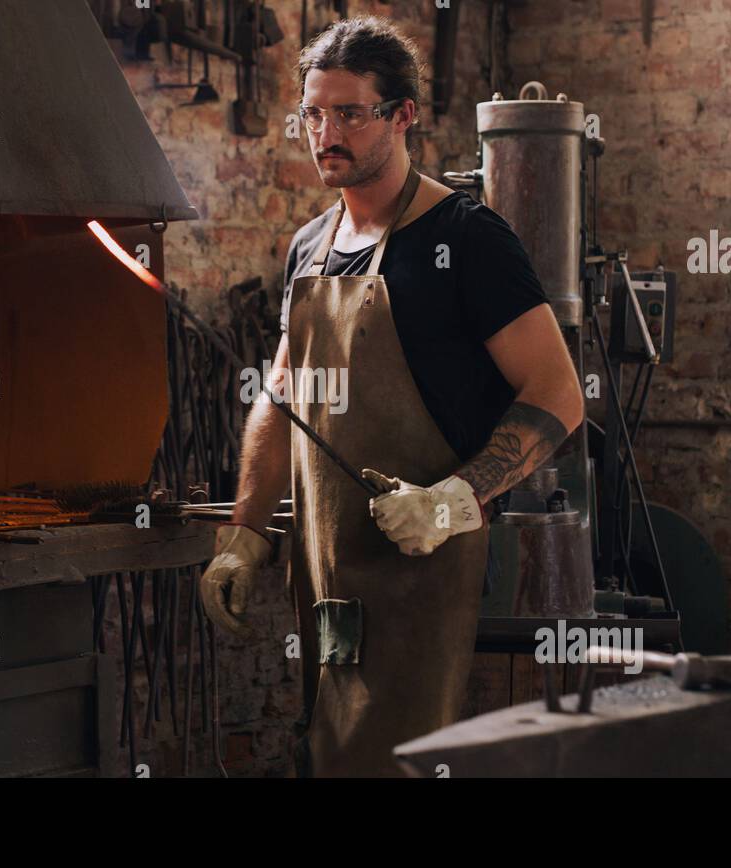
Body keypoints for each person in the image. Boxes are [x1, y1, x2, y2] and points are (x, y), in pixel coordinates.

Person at [200, 16, 585, 777]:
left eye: (350, 112)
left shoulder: (469, 240)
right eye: (313, 113)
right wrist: (244, 537)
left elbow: (560, 395)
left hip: (426, 579)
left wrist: (450, 501)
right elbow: (281, 400)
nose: (325, 133)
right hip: (325, 580)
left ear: (403, 114)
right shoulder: (310, 247)